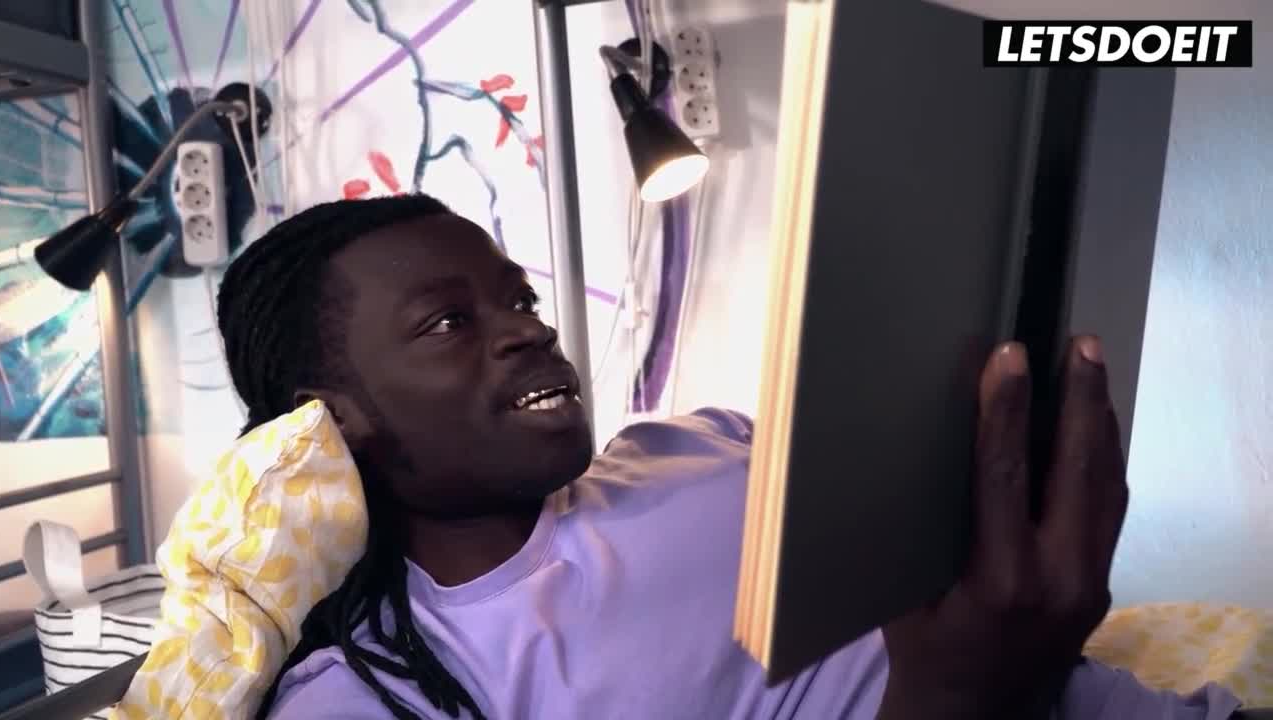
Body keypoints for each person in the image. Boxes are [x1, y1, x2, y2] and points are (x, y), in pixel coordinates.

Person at [213, 194, 1242, 719]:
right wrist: (958, 701)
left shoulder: (697, 441)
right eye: (447, 322)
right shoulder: (372, 694)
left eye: (518, 297)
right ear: (330, 422)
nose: (528, 327)